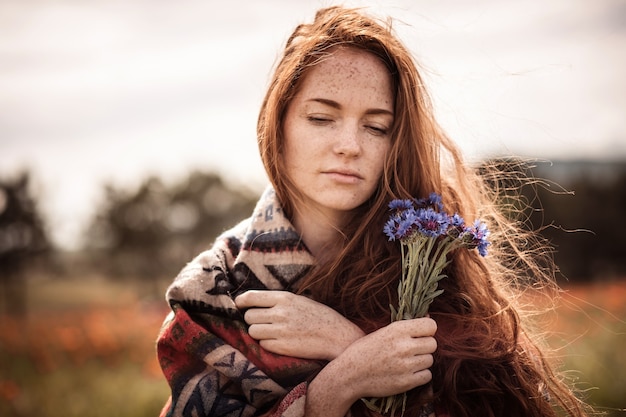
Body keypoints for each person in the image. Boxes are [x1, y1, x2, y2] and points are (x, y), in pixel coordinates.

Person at [156, 6, 590, 417]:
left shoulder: (434, 264)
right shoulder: (211, 290)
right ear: (279, 123)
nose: (350, 145)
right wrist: (339, 383)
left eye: (376, 126)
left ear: (395, 141)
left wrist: (349, 341)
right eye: (322, 118)